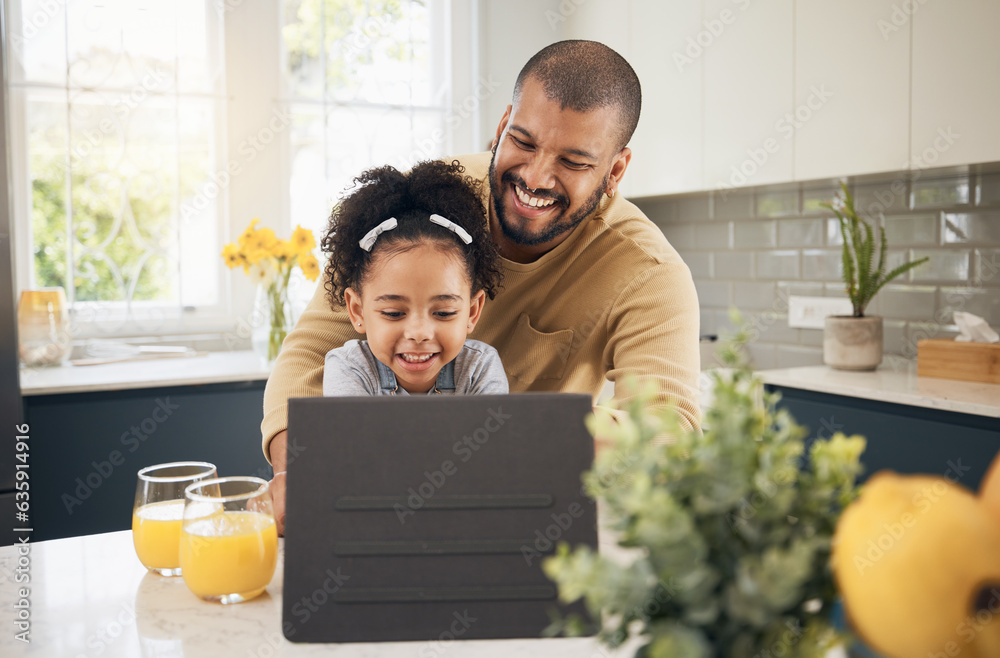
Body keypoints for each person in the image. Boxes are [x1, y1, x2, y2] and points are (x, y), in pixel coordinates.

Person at [264, 40, 701, 535]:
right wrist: (291, 468)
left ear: (615, 170)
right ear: (501, 127)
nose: (536, 176)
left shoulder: (647, 271)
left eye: (574, 162)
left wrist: (498, 437)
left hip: (531, 517)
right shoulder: (423, 205)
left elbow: (668, 428)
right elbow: (308, 356)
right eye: (524, 141)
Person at [321, 159, 508, 396]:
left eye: (444, 313)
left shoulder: (479, 367)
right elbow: (350, 434)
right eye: (393, 313)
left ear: (472, 312)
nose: (419, 333)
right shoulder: (349, 368)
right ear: (357, 311)